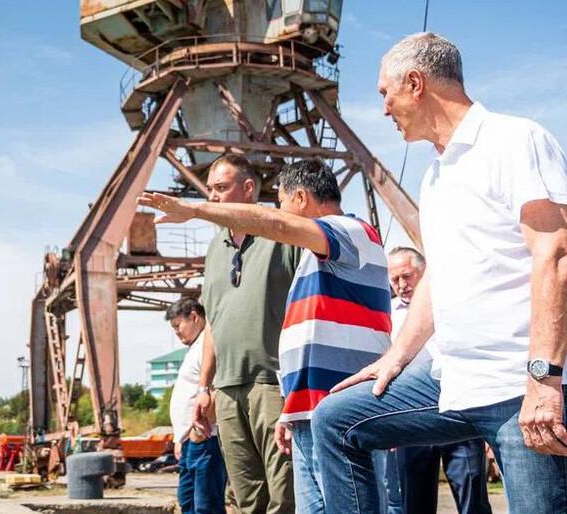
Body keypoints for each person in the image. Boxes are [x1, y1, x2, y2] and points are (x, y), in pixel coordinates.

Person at [308, 32, 567, 514]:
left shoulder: (514, 140)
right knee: (334, 421)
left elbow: (555, 254)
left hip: (518, 386)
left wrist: (544, 381)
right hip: (450, 380)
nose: (383, 108)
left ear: (415, 83)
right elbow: (440, 274)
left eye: (386, 92)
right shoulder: (435, 174)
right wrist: (396, 358)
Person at [139, 158, 392, 514]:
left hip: (337, 403)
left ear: (300, 199)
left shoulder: (348, 232)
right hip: (306, 405)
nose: (282, 215)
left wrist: (194, 210)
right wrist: (291, 408)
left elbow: (274, 223)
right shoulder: (310, 259)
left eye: (285, 205)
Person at [181, 154, 298, 514]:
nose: (212, 198)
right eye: (209, 190)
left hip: (273, 385)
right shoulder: (216, 249)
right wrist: (204, 388)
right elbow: (214, 322)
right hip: (227, 391)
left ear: (248, 189)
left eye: (221, 188)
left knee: (284, 495)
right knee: (247, 499)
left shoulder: (283, 233)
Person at [386, 247, 492, 514]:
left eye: (407, 276)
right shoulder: (387, 313)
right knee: (414, 502)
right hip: (410, 419)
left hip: (459, 410)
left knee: (473, 500)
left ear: (425, 273)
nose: (401, 285)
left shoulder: (454, 302)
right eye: (394, 279)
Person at [165, 297, 228, 514]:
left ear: (194, 316)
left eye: (177, 325)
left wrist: (198, 432)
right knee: (188, 503)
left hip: (205, 439)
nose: (176, 332)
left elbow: (216, 388)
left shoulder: (206, 345)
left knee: (206, 506)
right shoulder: (195, 347)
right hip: (190, 441)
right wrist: (179, 438)